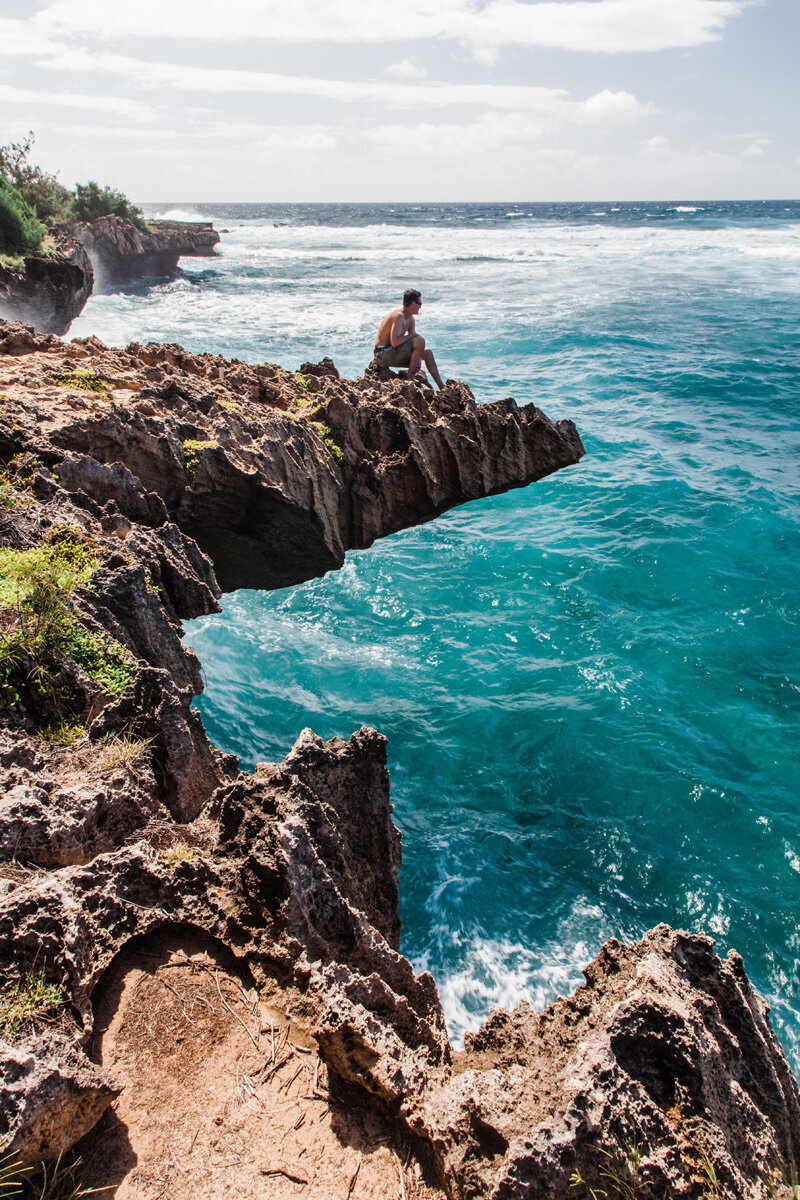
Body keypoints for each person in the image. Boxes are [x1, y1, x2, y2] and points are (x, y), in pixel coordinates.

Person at [373, 288, 445, 390]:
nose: (420, 306)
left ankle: (442, 387)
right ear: (412, 304)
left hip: (393, 353)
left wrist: (418, 358)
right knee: (420, 340)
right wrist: (413, 336)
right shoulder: (399, 316)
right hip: (382, 354)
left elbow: (414, 344)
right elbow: (395, 342)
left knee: (427, 353)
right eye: (419, 303)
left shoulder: (410, 318)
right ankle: (410, 376)